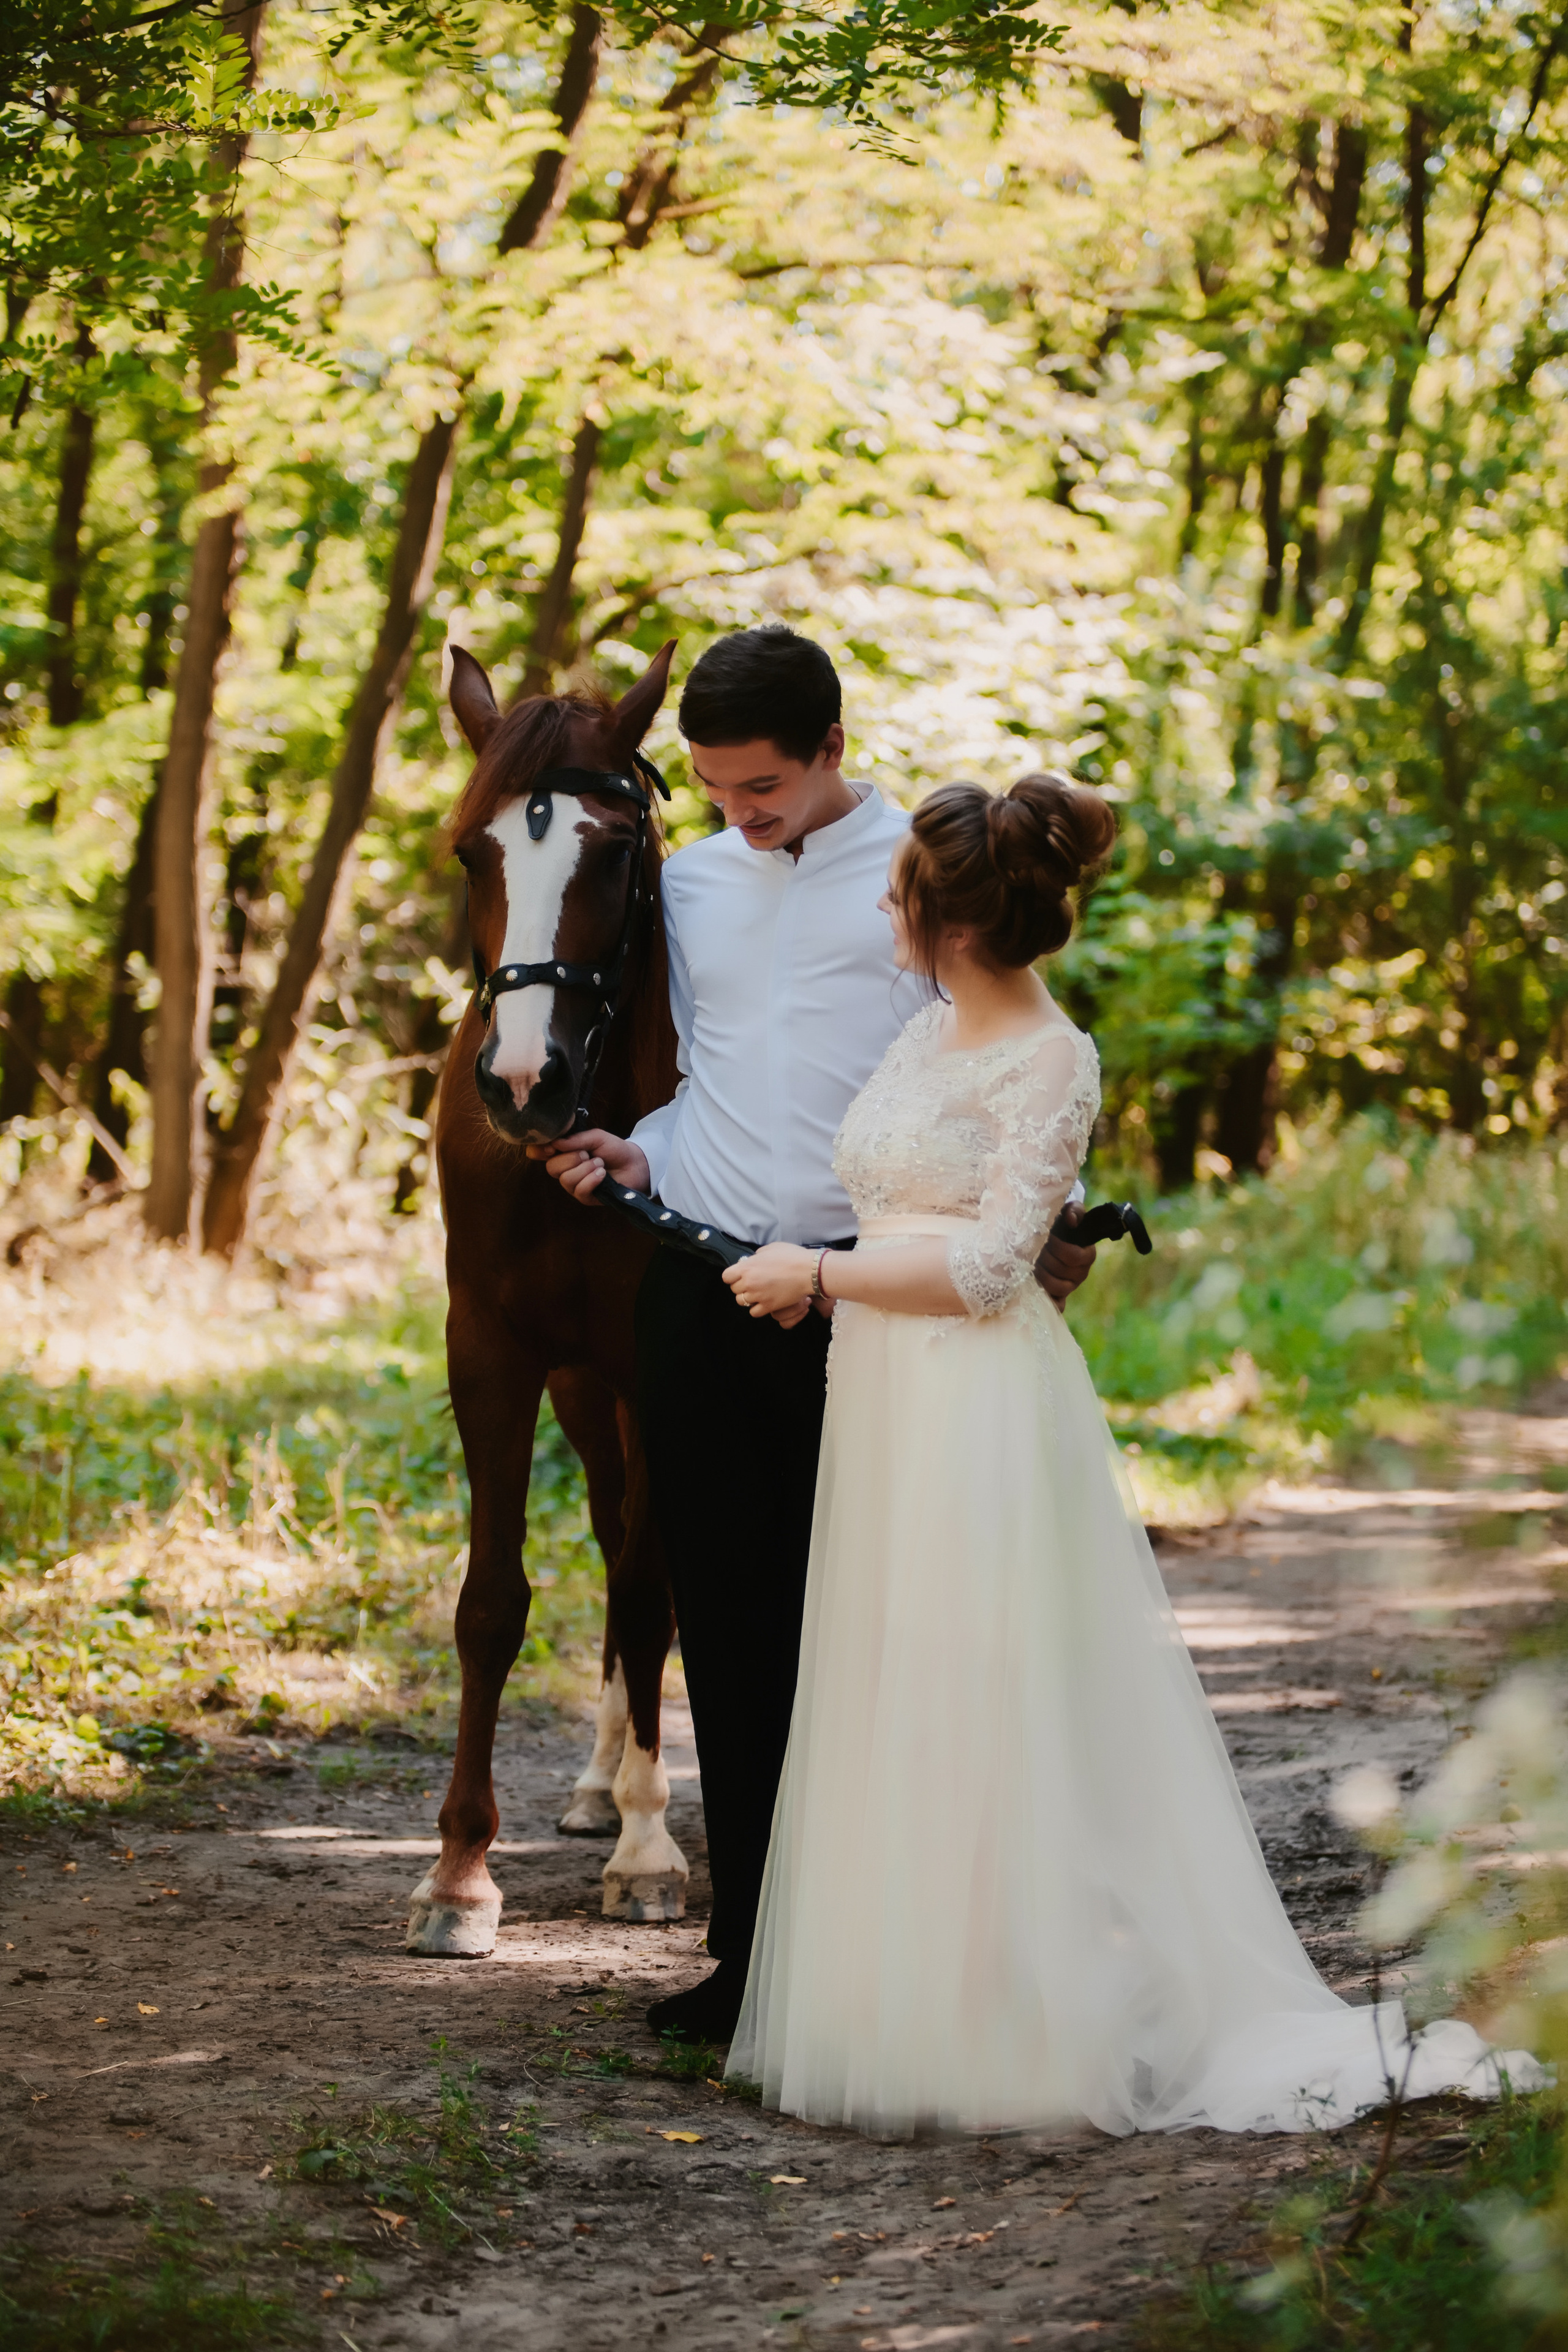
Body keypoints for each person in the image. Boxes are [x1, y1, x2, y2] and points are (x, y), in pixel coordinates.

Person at [716, 772, 1545, 2135]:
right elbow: (898, 1204)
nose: (879, 899)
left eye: (898, 889)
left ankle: (1012, 2032)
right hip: (879, 1395)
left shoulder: (1052, 1056)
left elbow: (992, 1269)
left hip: (974, 1403)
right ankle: (900, 2006)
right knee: (895, 1676)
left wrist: (818, 1272)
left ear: (953, 921)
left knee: (985, 1688)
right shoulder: (920, 1035)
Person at [535, 627, 1096, 2045]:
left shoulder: (926, 877)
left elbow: (1000, 1064)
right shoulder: (696, 882)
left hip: (870, 1306)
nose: (740, 811)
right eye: (717, 787)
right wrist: (643, 1151)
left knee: (876, 1635)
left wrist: (1047, 1221)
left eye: (765, 785)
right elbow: (722, 1080)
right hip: (704, 1288)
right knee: (724, 1623)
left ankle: (910, 1958)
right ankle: (754, 1960)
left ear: (834, 750)